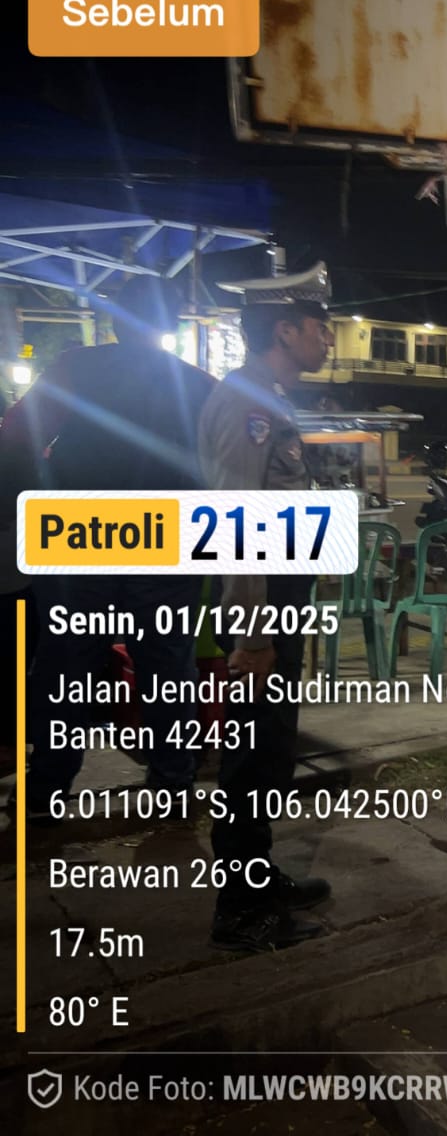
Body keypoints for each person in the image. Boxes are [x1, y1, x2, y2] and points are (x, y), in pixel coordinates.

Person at [8, 278, 216, 815]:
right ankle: (172, 785)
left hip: (78, 535)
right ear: (172, 325)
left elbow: (17, 438)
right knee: (168, 667)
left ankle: (46, 790)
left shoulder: (75, 368)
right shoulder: (200, 385)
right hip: (166, 539)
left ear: (114, 321)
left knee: (67, 665)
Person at [199, 262, 335, 954]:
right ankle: (239, 911)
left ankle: (260, 875)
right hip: (259, 608)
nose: (328, 338)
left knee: (272, 750)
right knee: (250, 757)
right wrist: (252, 635)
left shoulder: (269, 401)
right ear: (284, 330)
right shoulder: (245, 405)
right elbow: (236, 525)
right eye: (319, 327)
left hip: (280, 603)